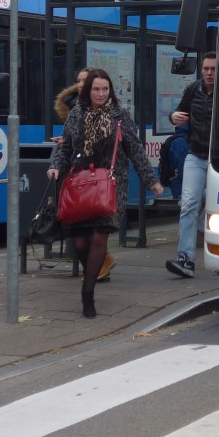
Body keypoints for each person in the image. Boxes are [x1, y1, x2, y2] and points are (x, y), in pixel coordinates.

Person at [49, 68, 163, 318]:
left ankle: (87, 294)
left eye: (105, 89)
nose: (101, 94)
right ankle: (90, 276)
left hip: (111, 185)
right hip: (81, 184)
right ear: (87, 91)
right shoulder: (76, 114)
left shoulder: (120, 115)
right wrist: (56, 168)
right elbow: (66, 148)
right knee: (79, 242)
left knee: (100, 238)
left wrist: (151, 181)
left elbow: (135, 149)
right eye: (96, 89)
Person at [50, 67, 116, 282]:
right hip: (75, 176)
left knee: (94, 230)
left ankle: (93, 277)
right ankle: (96, 266)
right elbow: (70, 141)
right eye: (78, 80)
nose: (80, 84)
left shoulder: (110, 111)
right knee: (80, 234)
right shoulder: (71, 106)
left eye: (84, 81)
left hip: (97, 177)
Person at [166, 51, 216, 278]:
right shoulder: (193, 90)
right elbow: (179, 112)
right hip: (195, 155)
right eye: (206, 69)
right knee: (188, 205)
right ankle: (185, 259)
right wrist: (172, 116)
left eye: (213, 69)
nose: (209, 73)